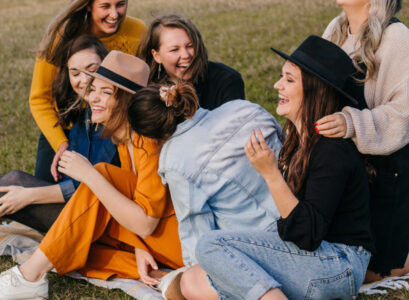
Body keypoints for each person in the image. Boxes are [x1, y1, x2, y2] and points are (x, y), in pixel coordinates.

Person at [178, 36, 375, 300]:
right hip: (311, 258)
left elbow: (307, 235)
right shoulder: (297, 140)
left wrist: (270, 173)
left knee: (211, 245)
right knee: (192, 280)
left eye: (289, 80)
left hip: (339, 264)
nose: (277, 85)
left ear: (316, 90)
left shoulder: (332, 150)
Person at [0, 51, 183, 300]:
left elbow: (146, 222)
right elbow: (133, 203)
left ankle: (29, 276)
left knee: (101, 175)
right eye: (94, 89)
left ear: (127, 102)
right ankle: (162, 276)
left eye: (106, 93)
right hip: (152, 239)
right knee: (76, 247)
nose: (93, 98)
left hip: (179, 241)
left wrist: (89, 175)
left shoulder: (147, 141)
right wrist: (139, 247)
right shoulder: (123, 138)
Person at [127, 78, 282, 298]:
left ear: (151, 136)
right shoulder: (242, 107)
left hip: (258, 247)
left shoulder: (175, 160)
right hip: (298, 215)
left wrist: (191, 275)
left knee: (183, 284)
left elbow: (198, 234)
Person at [316, 0, 409, 281]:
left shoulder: (398, 38)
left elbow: (403, 113)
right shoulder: (335, 30)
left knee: (375, 273)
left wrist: (351, 123)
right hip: (343, 166)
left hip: (386, 171)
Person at [0, 34, 119, 233]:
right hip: (80, 208)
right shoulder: (83, 116)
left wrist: (29, 196)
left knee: (15, 186)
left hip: (104, 222)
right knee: (13, 183)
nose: (85, 80)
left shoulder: (113, 119)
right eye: (76, 73)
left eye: (93, 70)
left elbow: (91, 185)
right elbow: (69, 176)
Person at [30, 0, 146, 183]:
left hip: (112, 127)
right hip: (65, 128)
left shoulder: (138, 32)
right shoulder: (61, 37)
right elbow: (39, 100)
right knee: (40, 189)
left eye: (120, 4)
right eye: (105, 6)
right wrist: (61, 144)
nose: (114, 14)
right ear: (88, 5)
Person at [138, 14, 245, 110]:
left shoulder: (226, 80)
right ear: (157, 56)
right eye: (174, 49)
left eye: (190, 46)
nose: (186, 55)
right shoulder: (148, 92)